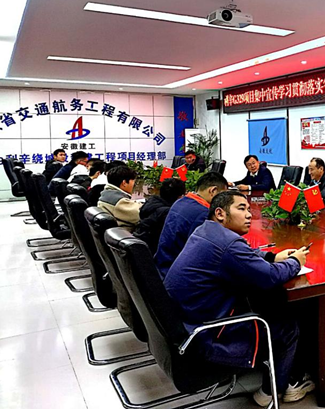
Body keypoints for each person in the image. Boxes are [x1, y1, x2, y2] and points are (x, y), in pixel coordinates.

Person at [164, 191, 314, 406]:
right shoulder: (228, 243)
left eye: (249, 209)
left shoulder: (205, 231)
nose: (249, 215)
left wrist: (272, 256)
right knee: (287, 328)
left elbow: (240, 254)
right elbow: (270, 277)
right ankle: (274, 390)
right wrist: (296, 262)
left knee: (266, 306)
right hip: (207, 337)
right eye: (241, 208)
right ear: (220, 213)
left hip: (186, 325)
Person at [155, 172, 228, 278]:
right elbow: (208, 254)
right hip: (178, 276)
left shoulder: (181, 202)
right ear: (213, 191)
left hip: (163, 267)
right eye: (222, 196)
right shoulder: (203, 214)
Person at [133, 178, 186, 253]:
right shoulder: (168, 214)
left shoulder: (150, 203)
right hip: (152, 253)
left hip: (140, 247)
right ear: (180, 197)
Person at [97, 165, 143, 230]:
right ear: (124, 183)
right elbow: (142, 214)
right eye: (133, 182)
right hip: (126, 234)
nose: (134, 186)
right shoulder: (119, 201)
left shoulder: (107, 193)